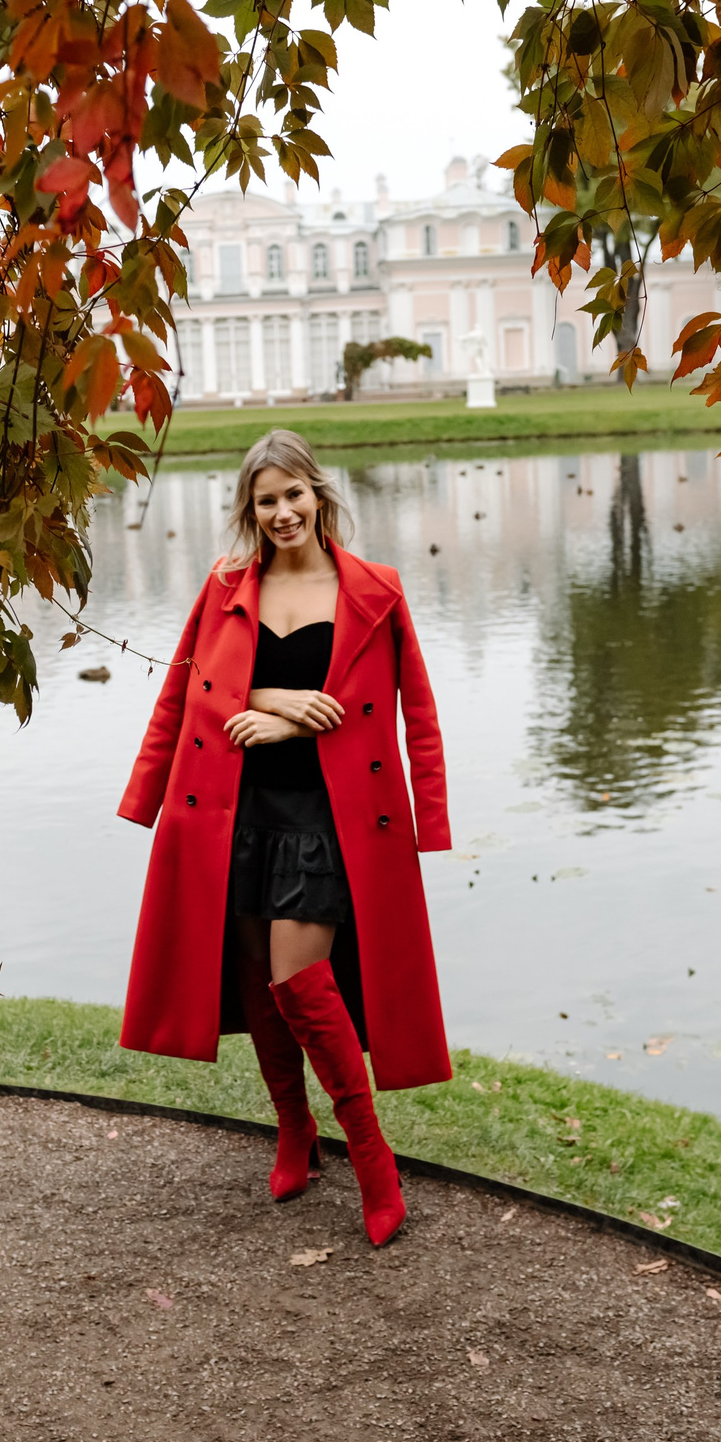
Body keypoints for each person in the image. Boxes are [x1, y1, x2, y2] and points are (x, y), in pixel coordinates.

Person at [116, 429, 452, 1247]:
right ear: (251, 509)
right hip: (233, 811)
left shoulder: (375, 588)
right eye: (266, 500)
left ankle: (373, 1160)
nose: (282, 512)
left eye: (293, 493)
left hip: (334, 820)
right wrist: (270, 701)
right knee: (261, 979)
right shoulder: (227, 585)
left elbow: (420, 711)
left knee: (300, 976)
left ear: (318, 492)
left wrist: (430, 819)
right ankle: (293, 1128)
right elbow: (187, 688)